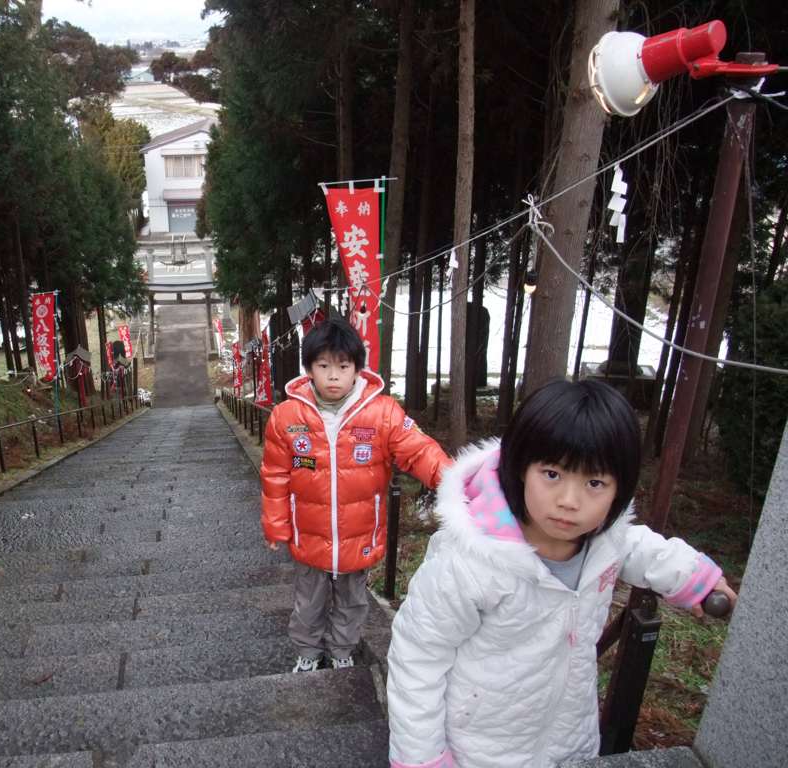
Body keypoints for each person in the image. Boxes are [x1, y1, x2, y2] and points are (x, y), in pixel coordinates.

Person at [386, 379, 739, 768]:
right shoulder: (471, 564)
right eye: (552, 475)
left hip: (569, 735)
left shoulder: (604, 541)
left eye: (594, 483)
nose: (570, 502)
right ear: (521, 469)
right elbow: (418, 658)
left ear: (618, 489)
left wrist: (694, 579)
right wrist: (423, 758)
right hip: (482, 748)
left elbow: (639, 548)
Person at [261, 318, 452, 673]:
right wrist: (276, 526)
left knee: (352, 602)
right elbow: (275, 474)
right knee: (309, 602)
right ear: (309, 370)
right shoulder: (286, 416)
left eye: (343, 367)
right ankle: (308, 653)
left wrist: (456, 482)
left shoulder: (383, 413)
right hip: (309, 534)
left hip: (360, 533)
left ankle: (341, 650)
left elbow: (418, 450)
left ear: (357, 369)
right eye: (323, 367)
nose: (333, 377)